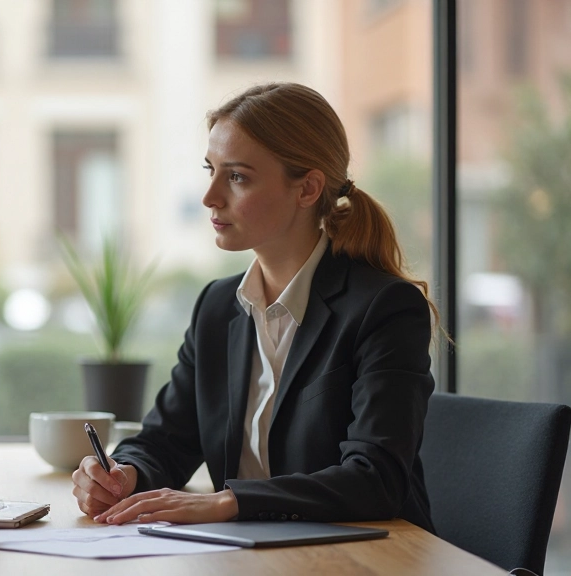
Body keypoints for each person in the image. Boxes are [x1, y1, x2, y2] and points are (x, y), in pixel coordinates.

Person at [71, 82, 438, 532]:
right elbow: (166, 439)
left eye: (237, 177)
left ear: (307, 189)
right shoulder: (218, 306)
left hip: (366, 557)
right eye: (211, 170)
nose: (210, 197)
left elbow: (375, 480)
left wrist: (229, 502)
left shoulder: (386, 309)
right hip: (244, 553)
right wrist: (124, 473)